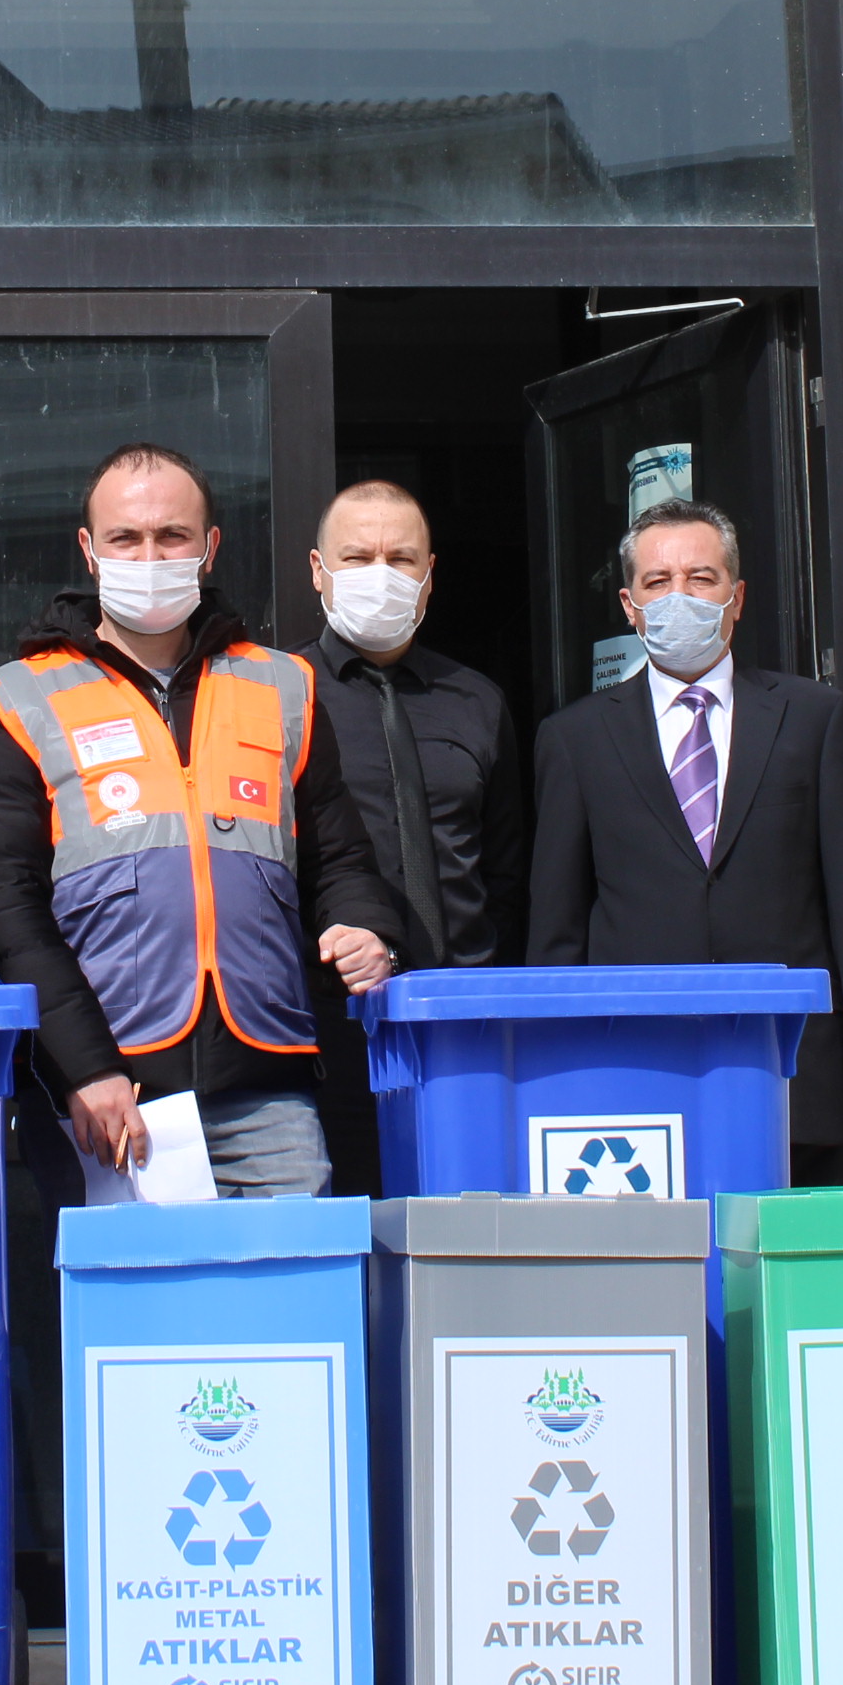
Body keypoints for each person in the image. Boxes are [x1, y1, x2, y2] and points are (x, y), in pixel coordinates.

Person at [0, 441, 410, 1198]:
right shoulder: (15, 700)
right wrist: (83, 1066)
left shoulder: (280, 684)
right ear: (89, 552)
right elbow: (3, 905)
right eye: (126, 538)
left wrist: (363, 924)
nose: (150, 555)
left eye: (173, 537)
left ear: (209, 548)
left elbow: (341, 858)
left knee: (295, 1305)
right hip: (111, 1093)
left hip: (266, 1080)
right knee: (140, 1315)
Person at [527, 497, 843, 1185]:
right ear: (629, 604)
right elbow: (558, 928)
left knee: (785, 1276)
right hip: (635, 1076)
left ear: (736, 598)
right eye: (658, 582)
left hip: (792, 1069)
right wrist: (558, 1075)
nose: (680, 596)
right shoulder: (576, 739)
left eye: (701, 578)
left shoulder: (813, 721)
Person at [301, 478, 522, 1195]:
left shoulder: (479, 702)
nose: (380, 575)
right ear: (318, 572)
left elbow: (508, 871)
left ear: (430, 577)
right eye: (358, 556)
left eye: (401, 559)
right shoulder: (276, 696)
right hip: (332, 1030)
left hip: (466, 1027)